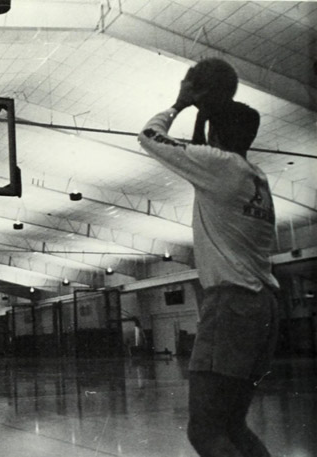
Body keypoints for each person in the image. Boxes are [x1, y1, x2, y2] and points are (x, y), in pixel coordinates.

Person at [138, 59, 279, 457]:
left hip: (232, 305)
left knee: (204, 431)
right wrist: (206, 114)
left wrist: (181, 103)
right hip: (263, 305)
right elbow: (207, 144)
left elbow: (150, 135)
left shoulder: (219, 167)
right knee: (233, 424)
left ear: (215, 133)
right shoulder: (256, 178)